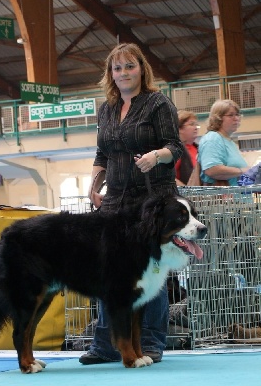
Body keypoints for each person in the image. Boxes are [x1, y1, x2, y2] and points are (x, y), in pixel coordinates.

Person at [79, 43, 183, 365]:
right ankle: (107, 344)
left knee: (152, 273)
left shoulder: (158, 103)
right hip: (114, 203)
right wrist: (94, 184)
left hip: (151, 202)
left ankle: (151, 341)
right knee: (108, 275)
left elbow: (175, 147)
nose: (123, 73)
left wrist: (157, 156)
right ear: (111, 74)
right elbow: (102, 154)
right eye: (117, 68)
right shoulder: (106, 109)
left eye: (130, 66)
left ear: (142, 69)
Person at [198, 99, 249, 186]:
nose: (236, 118)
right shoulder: (213, 138)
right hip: (224, 198)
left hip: (236, 197)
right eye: (231, 115)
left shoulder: (230, 142)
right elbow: (212, 169)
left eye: (237, 114)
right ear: (218, 118)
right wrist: (243, 171)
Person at [175, 110, 199, 186]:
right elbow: (168, 178)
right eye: (192, 124)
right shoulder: (175, 150)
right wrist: (187, 192)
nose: (196, 128)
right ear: (180, 129)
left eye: (196, 125)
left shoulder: (197, 148)